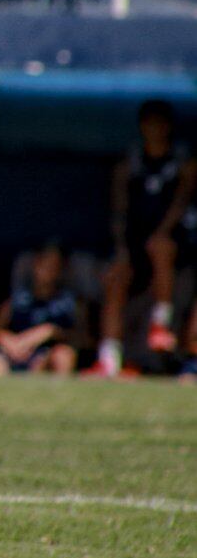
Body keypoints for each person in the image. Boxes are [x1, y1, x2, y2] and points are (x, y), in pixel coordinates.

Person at [95, 99, 194, 374]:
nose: (154, 130)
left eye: (159, 124)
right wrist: (122, 248)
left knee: (160, 247)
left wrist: (161, 232)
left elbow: (181, 202)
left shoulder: (183, 162)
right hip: (137, 244)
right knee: (116, 277)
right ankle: (109, 358)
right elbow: (119, 210)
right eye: (149, 124)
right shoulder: (131, 163)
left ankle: (160, 322)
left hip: (174, 245)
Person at [0, 242, 80, 376]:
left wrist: (52, 331)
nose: (47, 270)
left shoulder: (72, 303)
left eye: (54, 266)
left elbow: (84, 340)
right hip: (12, 358)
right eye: (42, 263)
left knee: (62, 355)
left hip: (43, 360)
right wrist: (5, 339)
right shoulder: (17, 301)